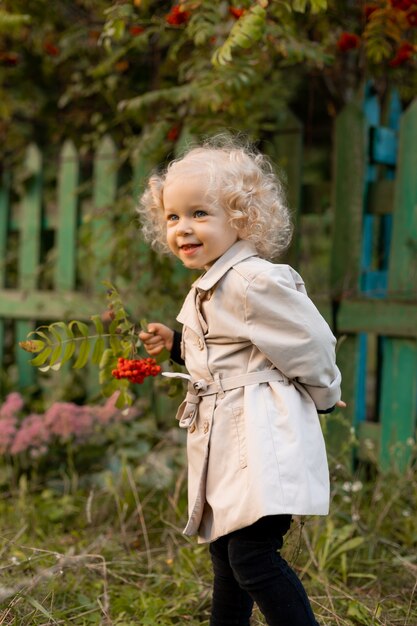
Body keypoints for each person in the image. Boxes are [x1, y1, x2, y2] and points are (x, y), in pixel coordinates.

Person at [138, 136, 345, 626]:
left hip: (263, 437)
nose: (183, 228)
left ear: (241, 218)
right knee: (228, 554)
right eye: (173, 217)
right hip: (234, 442)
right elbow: (226, 352)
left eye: (200, 214)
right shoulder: (217, 282)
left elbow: (313, 343)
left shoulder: (253, 281)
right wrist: (175, 345)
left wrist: (324, 395)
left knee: (252, 557)